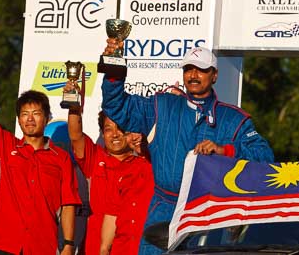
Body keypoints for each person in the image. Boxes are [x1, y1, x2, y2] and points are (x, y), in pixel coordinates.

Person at [100, 43, 275, 254]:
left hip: (211, 215)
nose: (193, 75)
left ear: (214, 75)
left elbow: (265, 158)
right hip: (164, 210)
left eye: (201, 69)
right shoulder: (161, 106)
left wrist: (223, 151)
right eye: (188, 69)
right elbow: (117, 107)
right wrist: (113, 71)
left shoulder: (233, 119)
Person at [0, 53, 81, 254]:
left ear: (47, 118)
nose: (30, 119)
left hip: (42, 247)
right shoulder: (4, 145)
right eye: (24, 114)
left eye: (36, 113)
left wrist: (68, 244)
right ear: (19, 120)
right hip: (3, 244)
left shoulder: (62, 159)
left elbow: (68, 204)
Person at [66, 82, 154, 255]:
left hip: (133, 247)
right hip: (95, 246)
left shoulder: (146, 162)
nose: (114, 134)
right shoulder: (95, 158)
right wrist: (74, 106)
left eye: (120, 128)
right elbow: (75, 135)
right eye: (108, 129)